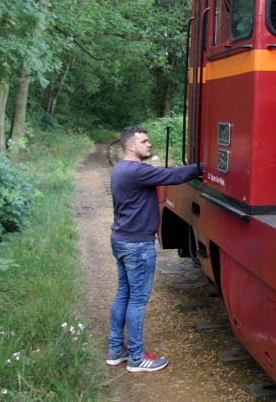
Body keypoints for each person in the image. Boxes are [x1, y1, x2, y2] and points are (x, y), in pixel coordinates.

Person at [106, 125, 203, 372]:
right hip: (137, 244)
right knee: (137, 300)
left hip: (121, 239)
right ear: (131, 146)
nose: (149, 145)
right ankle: (137, 358)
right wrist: (203, 167)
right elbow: (173, 177)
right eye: (144, 141)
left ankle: (116, 350)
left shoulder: (120, 169)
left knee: (124, 295)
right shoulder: (136, 171)